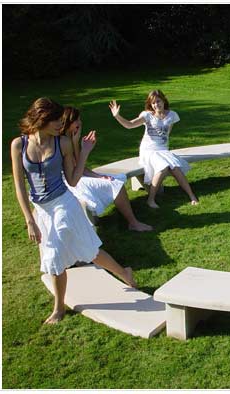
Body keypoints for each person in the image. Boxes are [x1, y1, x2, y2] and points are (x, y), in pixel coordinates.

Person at [10, 98, 137, 324]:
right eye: (56, 121)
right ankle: (124, 272)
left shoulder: (63, 144)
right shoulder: (18, 145)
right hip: (41, 208)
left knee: (56, 254)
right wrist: (29, 220)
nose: (61, 125)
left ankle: (58, 309)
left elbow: (73, 179)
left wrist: (86, 151)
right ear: (42, 119)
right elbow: (19, 186)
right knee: (87, 249)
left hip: (63, 203)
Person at [61, 106, 153, 232]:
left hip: (77, 176)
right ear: (68, 122)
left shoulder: (72, 138)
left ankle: (132, 222)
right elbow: (73, 173)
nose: (80, 123)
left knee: (114, 180)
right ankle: (134, 223)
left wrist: (98, 176)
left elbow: (81, 167)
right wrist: (85, 150)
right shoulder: (63, 142)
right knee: (116, 185)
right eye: (77, 120)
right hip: (68, 181)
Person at [109, 90, 198, 208]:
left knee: (176, 168)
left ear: (163, 101)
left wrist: (165, 149)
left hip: (162, 149)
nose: (156, 105)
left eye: (158, 101)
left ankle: (192, 196)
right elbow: (130, 125)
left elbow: (166, 134)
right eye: (153, 103)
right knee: (163, 167)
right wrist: (117, 116)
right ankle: (151, 199)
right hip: (148, 150)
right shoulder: (147, 115)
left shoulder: (172, 115)